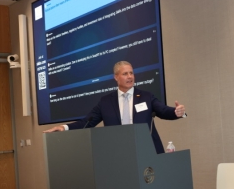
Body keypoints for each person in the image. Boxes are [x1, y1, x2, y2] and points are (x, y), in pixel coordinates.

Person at [44, 61, 186, 154]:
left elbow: (163, 111)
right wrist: (64, 127)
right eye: (125, 74)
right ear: (116, 77)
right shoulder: (106, 102)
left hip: (147, 149)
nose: (130, 76)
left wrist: (177, 112)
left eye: (131, 73)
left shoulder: (146, 96)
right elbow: (87, 122)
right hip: (118, 152)